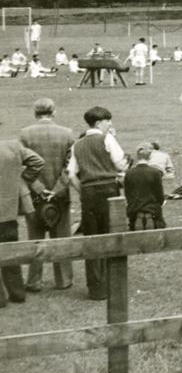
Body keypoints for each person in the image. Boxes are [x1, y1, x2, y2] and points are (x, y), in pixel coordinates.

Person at [67, 106, 128, 301]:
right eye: (108, 120)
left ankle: (96, 288)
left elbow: (71, 175)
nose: (110, 124)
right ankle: (114, 283)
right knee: (112, 236)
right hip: (109, 191)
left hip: (89, 193)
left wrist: (83, 192)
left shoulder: (77, 144)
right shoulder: (107, 138)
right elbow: (120, 163)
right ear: (99, 122)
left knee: (92, 238)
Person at [19, 98, 75, 291]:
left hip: (35, 194)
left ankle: (34, 280)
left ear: (35, 113)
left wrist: (38, 187)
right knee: (61, 236)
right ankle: (64, 279)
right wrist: (58, 188)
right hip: (60, 194)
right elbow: (70, 166)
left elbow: (24, 165)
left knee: (35, 236)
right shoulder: (67, 133)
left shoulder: (25, 134)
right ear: (54, 112)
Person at [0, 137, 44, 307]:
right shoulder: (12, 146)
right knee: (11, 251)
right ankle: (17, 293)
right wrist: (22, 179)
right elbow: (37, 161)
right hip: (8, 209)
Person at [124, 146, 165, 230]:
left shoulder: (129, 173)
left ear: (137, 157)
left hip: (135, 210)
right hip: (152, 210)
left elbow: (127, 194)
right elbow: (160, 195)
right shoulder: (155, 172)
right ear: (149, 157)